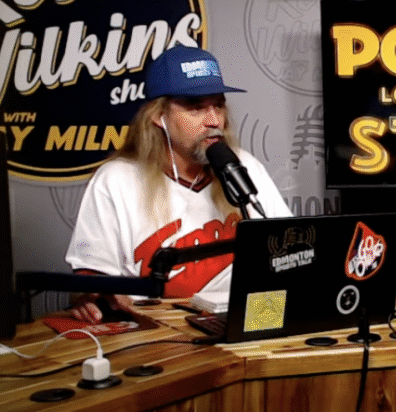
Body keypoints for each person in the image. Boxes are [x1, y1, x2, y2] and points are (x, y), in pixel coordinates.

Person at [65, 45, 292, 324]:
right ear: (158, 116)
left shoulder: (243, 166)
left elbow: (290, 250)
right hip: (157, 328)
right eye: (196, 108)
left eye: (219, 105)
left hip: (246, 318)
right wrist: (92, 296)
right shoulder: (117, 179)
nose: (214, 121)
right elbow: (90, 278)